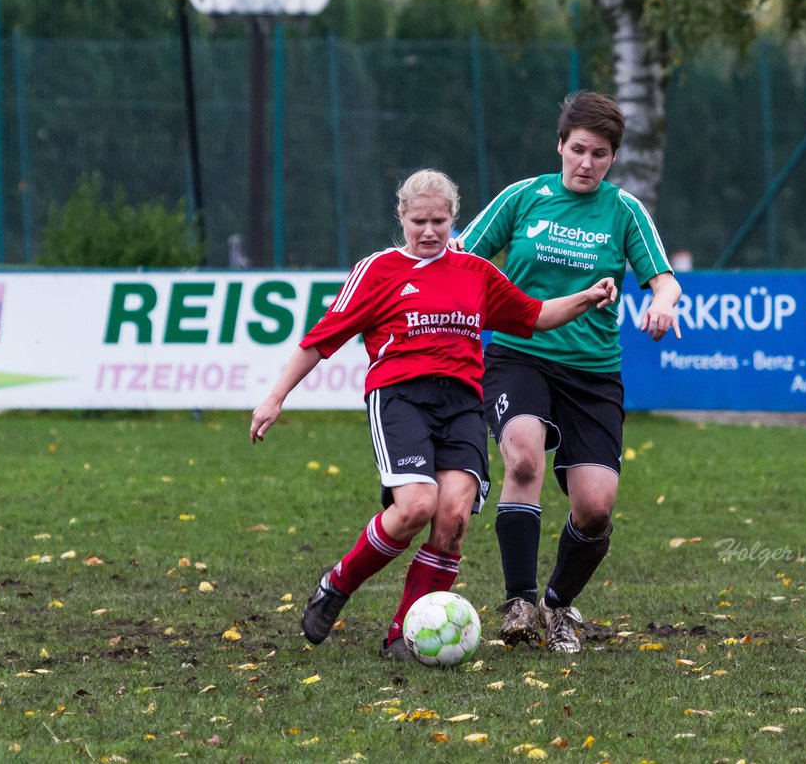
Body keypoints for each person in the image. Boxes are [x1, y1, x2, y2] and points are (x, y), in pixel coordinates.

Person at [250, 169, 617, 661]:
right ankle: (337, 584)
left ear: (453, 220)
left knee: (453, 520)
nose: (428, 231)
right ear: (401, 218)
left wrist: (587, 297)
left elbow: (535, 316)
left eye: (439, 221)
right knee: (416, 507)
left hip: (463, 403)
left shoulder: (476, 272)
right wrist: (275, 397)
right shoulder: (378, 270)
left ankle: (402, 634)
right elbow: (321, 340)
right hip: (400, 398)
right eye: (418, 220)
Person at [455, 91, 682, 653]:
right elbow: (463, 257)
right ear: (560, 146)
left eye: (599, 154)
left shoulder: (624, 211)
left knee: (596, 506)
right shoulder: (523, 198)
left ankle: (557, 605)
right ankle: (517, 601)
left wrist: (664, 303)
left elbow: (664, 278)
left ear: (612, 158)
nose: (586, 163)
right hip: (519, 352)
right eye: (578, 149)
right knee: (525, 456)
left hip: (593, 372)